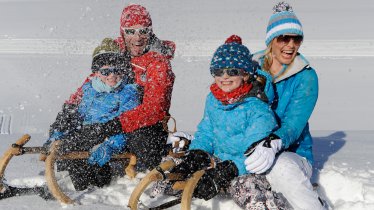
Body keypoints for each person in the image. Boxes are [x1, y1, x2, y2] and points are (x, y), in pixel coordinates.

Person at [153, 35, 290, 208]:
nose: (224, 77)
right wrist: (198, 154)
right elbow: (207, 132)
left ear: (245, 74)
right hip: (218, 162)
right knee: (174, 167)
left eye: (232, 71)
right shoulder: (213, 100)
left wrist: (229, 170)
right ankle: (151, 199)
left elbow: (253, 152)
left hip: (246, 169)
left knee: (246, 189)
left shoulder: (257, 108)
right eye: (218, 71)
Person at [66, 4, 176, 171]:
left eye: (143, 31)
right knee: (78, 124)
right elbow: (95, 79)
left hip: (144, 126)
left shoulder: (158, 62)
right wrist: (69, 109)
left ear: (150, 31)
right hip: (110, 116)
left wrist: (112, 126)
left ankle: (134, 175)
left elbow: (154, 109)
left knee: (140, 138)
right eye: (131, 31)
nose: (138, 38)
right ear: (122, 31)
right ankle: (68, 166)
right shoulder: (116, 50)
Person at [244, 2, 326, 209]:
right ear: (272, 40)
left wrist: (273, 143)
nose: (291, 45)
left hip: (292, 152)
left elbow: (294, 123)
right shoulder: (251, 67)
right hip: (248, 145)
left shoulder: (306, 76)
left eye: (296, 39)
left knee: (280, 168)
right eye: (284, 38)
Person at [45, 38, 140, 191]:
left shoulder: (127, 92)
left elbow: (127, 126)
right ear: (96, 72)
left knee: (80, 151)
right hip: (86, 134)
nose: (112, 76)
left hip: (107, 136)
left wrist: (110, 145)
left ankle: (91, 189)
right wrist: (60, 132)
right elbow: (77, 116)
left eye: (117, 70)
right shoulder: (89, 90)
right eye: (105, 72)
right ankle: (67, 181)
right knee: (68, 144)